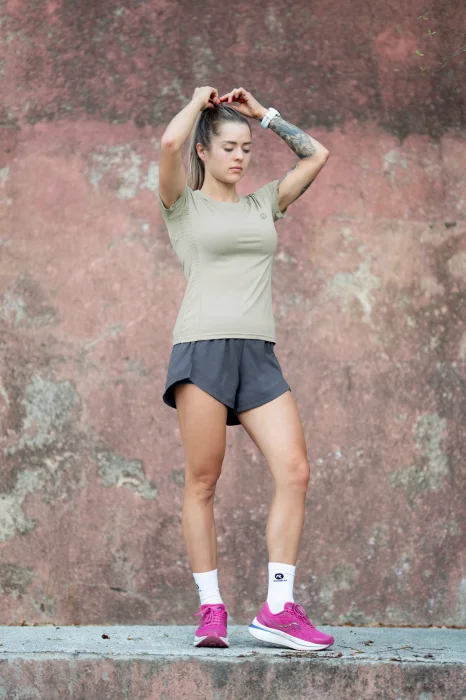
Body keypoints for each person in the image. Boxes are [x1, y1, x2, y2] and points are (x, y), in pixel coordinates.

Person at [157, 85, 333, 651]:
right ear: (204, 151)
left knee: (295, 470)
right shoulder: (182, 205)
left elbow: (316, 156)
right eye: (228, 147)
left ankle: (278, 608)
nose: (239, 157)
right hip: (202, 349)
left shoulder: (263, 204)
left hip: (257, 354)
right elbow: (169, 144)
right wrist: (196, 103)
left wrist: (266, 116)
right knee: (204, 480)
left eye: (246, 148)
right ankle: (211, 607)